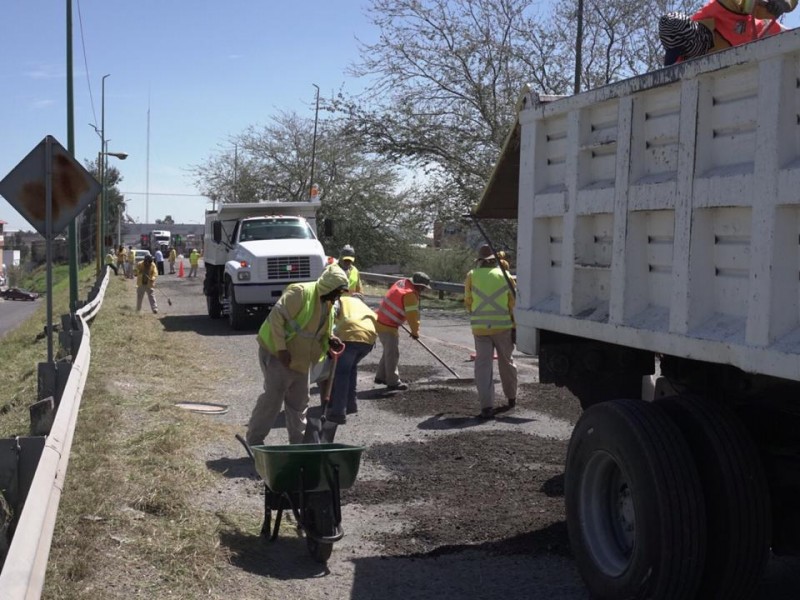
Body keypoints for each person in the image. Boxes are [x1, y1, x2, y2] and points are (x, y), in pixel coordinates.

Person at [245, 264, 350, 446]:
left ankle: (298, 444)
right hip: (280, 356)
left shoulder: (328, 304)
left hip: (302, 360)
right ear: (329, 287)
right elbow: (276, 318)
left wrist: (330, 338)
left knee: (299, 403)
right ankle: (255, 441)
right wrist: (281, 349)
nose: (338, 296)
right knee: (273, 400)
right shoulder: (300, 293)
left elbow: (316, 330)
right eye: (337, 292)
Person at [465, 245, 517, 419]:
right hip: (503, 327)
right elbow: (513, 304)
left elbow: (468, 302)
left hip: (480, 328)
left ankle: (486, 406)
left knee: (483, 366)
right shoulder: (506, 275)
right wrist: (515, 326)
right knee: (506, 362)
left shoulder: (472, 275)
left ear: (479, 261)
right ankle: (511, 398)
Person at [659, 0, 795, 66]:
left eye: (682, 51)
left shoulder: (723, 5)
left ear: (692, 38)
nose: (683, 57)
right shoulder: (683, 61)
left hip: (778, 37)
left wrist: (784, 4)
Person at [324, 294, 378, 424]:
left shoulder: (342, 300)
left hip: (350, 337)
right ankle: (351, 405)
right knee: (351, 368)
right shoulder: (366, 308)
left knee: (341, 374)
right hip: (368, 341)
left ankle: (338, 413)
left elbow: (330, 314)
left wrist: (329, 335)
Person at [374, 272, 431, 391]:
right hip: (387, 325)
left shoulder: (402, 283)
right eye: (423, 288)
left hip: (380, 319)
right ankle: (393, 382)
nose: (424, 290)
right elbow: (412, 316)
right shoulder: (409, 294)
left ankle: (381, 376)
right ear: (419, 285)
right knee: (393, 354)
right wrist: (415, 332)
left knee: (389, 351)